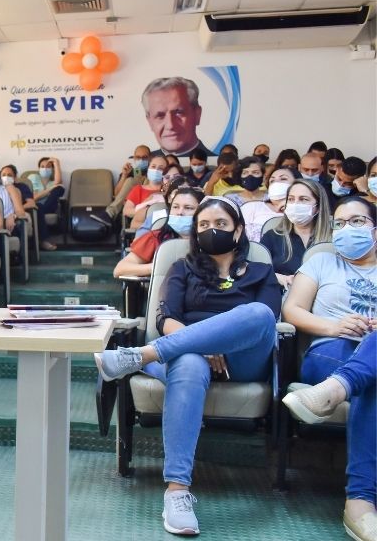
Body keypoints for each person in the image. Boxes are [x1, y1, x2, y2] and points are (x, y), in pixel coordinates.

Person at [94, 195, 280, 535]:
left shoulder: (261, 272)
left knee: (258, 313)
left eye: (221, 224)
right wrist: (203, 344)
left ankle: (142, 355)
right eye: (204, 225)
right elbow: (167, 319)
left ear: (238, 231)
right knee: (190, 361)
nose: (212, 230)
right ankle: (177, 491)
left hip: (243, 359)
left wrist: (217, 341)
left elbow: (266, 323)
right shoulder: (183, 267)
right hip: (185, 354)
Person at [282, 196, 377, 541]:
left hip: (366, 361)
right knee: (371, 379)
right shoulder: (321, 263)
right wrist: (333, 327)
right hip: (329, 352)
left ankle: (338, 389)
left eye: (357, 222)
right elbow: (292, 310)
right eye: (339, 223)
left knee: (372, 373)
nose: (346, 229)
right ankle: (361, 502)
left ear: (375, 229)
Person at [114, 186, 203, 277]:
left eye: (188, 208)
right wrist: (158, 267)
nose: (180, 212)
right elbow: (120, 269)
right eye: (175, 207)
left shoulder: (210, 240)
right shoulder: (156, 237)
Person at [260, 179, 332, 291]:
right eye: (291, 199)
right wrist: (277, 277)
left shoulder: (332, 238)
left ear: (318, 207)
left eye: (303, 199)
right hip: (282, 297)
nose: (295, 204)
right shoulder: (272, 236)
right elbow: (255, 270)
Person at [141, 77, 212, 157]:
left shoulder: (215, 163)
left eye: (179, 113)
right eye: (160, 116)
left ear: (197, 114)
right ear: (149, 122)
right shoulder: (137, 165)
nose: (170, 125)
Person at [90, 145, 151, 227]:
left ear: (150, 158)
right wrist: (124, 176)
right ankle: (109, 213)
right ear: (134, 158)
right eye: (138, 157)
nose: (141, 160)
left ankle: (110, 213)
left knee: (145, 180)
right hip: (130, 205)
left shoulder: (155, 171)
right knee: (130, 180)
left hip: (147, 204)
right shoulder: (129, 172)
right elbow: (117, 194)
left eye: (144, 157)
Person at [240, 167, 295, 241]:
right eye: (272, 181)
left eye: (283, 179)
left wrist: (291, 208)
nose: (276, 183)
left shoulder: (301, 210)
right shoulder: (251, 207)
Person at [27, 157, 65, 251]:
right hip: (36, 207)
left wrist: (57, 163)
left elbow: (58, 182)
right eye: (42, 166)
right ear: (39, 168)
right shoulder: (33, 177)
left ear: (52, 169)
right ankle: (43, 241)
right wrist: (49, 190)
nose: (45, 168)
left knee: (59, 188)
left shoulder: (53, 183)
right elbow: (34, 198)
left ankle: (42, 241)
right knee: (39, 206)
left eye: (48, 166)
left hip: (50, 207)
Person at [122, 154, 168, 229]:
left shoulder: (169, 190)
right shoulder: (138, 189)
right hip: (143, 229)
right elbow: (126, 211)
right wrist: (146, 209)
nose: (156, 170)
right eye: (153, 166)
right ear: (148, 169)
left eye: (161, 168)